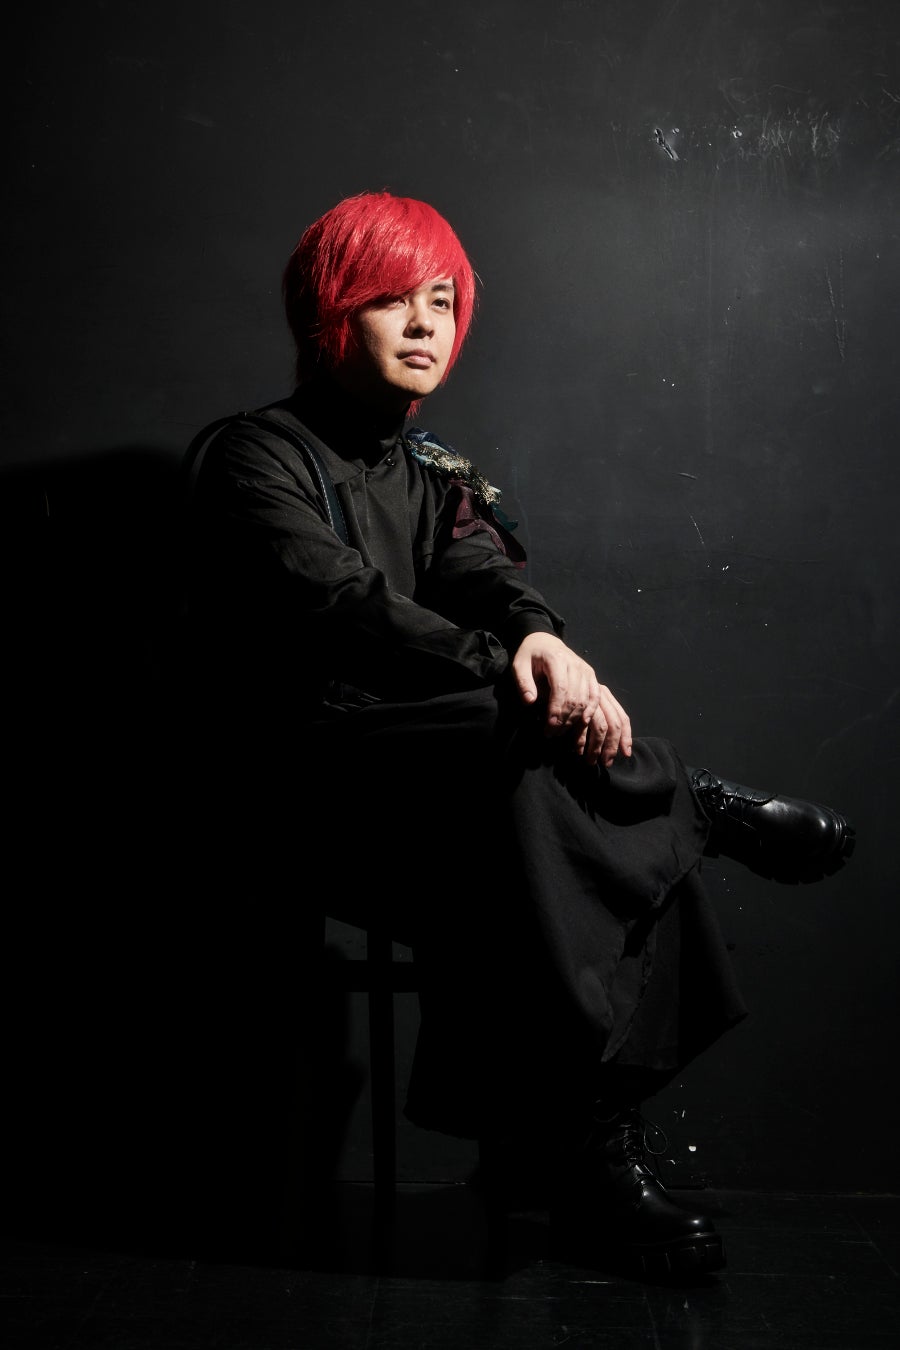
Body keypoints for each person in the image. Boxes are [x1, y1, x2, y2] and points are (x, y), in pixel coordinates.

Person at [182, 190, 854, 1278]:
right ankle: (698, 802)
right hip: (315, 783)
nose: (423, 324)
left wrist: (538, 637)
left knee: (559, 806)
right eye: (390, 300)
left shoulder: (430, 470)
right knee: (530, 738)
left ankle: (575, 1144)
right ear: (330, 311)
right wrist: (515, 673)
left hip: (455, 786)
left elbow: (481, 575)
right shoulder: (253, 455)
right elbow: (341, 602)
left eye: (441, 302)